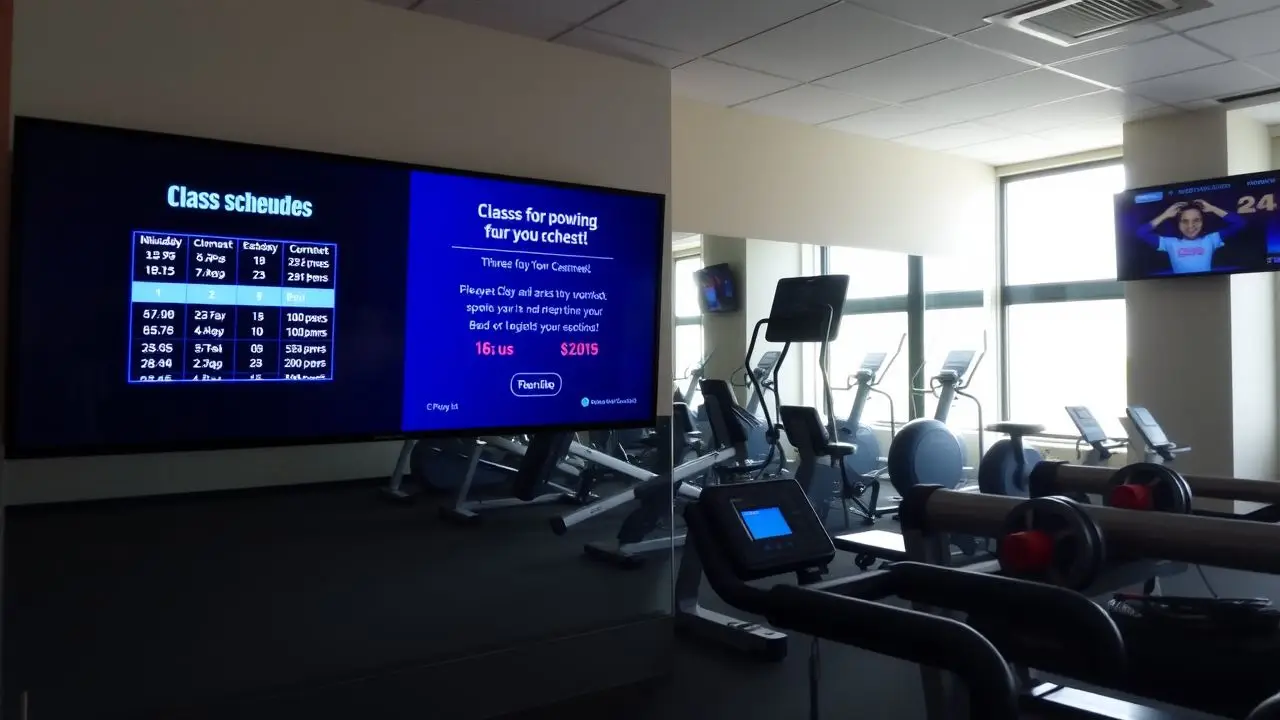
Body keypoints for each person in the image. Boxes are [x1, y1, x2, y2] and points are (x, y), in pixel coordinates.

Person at [1138, 199, 1246, 274]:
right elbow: (1141, 233)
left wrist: (1213, 208)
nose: (1190, 226)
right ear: (1178, 224)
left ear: (1203, 222)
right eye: (1184, 221)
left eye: (1196, 220)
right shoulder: (1170, 243)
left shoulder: (1211, 240)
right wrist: (1165, 215)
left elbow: (1240, 223)